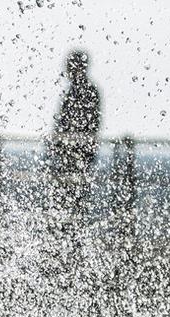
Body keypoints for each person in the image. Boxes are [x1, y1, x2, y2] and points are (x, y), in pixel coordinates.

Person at [47, 50, 102, 220]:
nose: (67, 69)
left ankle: (68, 233)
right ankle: (71, 231)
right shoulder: (82, 90)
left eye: (70, 65)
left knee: (70, 197)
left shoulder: (83, 91)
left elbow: (84, 125)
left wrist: (61, 143)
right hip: (74, 153)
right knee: (72, 198)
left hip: (76, 154)